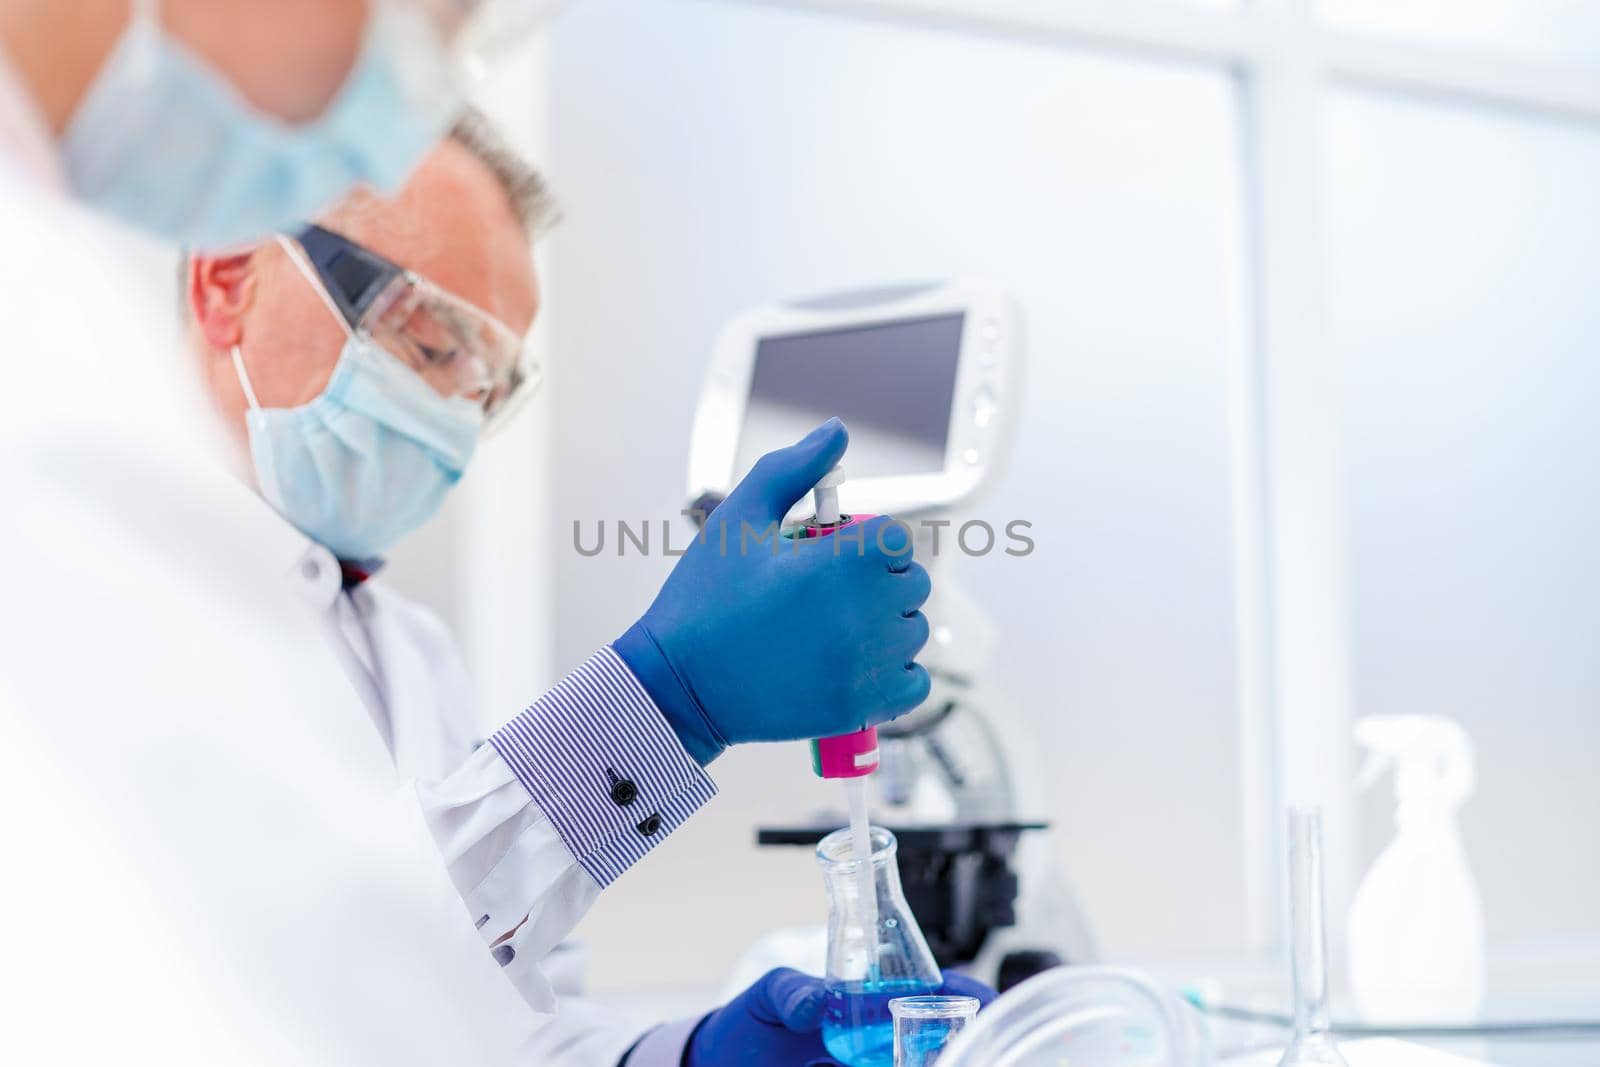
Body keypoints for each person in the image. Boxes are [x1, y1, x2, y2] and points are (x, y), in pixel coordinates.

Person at [0, 2, 976, 1063]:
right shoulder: (86, 520)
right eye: (430, 340)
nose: (458, 414)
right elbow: (307, 966)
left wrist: (678, 1056)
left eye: (490, 381)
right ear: (227, 277)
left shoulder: (403, 652)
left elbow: (487, 1021)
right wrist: (659, 705)